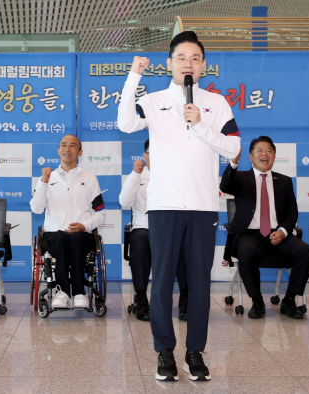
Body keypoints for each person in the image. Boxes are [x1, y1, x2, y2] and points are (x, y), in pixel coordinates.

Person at [117, 31, 241, 382]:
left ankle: (194, 352)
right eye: (181, 57)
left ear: (203, 65)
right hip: (164, 205)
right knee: (162, 284)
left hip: (203, 206)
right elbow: (124, 123)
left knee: (200, 283)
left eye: (195, 58)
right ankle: (164, 353)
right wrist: (133, 77)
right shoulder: (155, 101)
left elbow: (233, 148)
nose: (188, 63)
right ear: (169, 63)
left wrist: (200, 125)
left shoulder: (216, 104)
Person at [219, 136, 309, 320]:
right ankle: (257, 301)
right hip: (249, 234)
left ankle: (289, 300)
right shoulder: (240, 177)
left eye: (269, 151)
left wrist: (283, 231)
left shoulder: (284, 181)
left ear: (274, 156)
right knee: (246, 252)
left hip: (277, 233)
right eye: (260, 151)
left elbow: (292, 213)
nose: (265, 154)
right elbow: (225, 186)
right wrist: (233, 163)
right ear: (251, 157)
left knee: (306, 252)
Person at [29, 134, 106, 309]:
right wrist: (43, 182)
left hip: (82, 234)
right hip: (54, 234)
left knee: (77, 238)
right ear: (58, 150)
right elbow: (36, 209)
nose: (67, 148)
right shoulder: (47, 178)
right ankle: (62, 292)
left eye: (72, 146)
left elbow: (100, 213)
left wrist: (84, 226)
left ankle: (79, 293)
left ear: (80, 152)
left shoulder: (90, 178)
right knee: (62, 238)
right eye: (63, 145)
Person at [119, 139, 189, 322]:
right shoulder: (137, 177)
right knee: (140, 241)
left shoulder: (176, 176)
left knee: (183, 242)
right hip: (145, 228)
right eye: (152, 152)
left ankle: (186, 299)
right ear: (145, 156)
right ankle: (141, 299)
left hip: (171, 228)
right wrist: (135, 174)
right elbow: (124, 202)